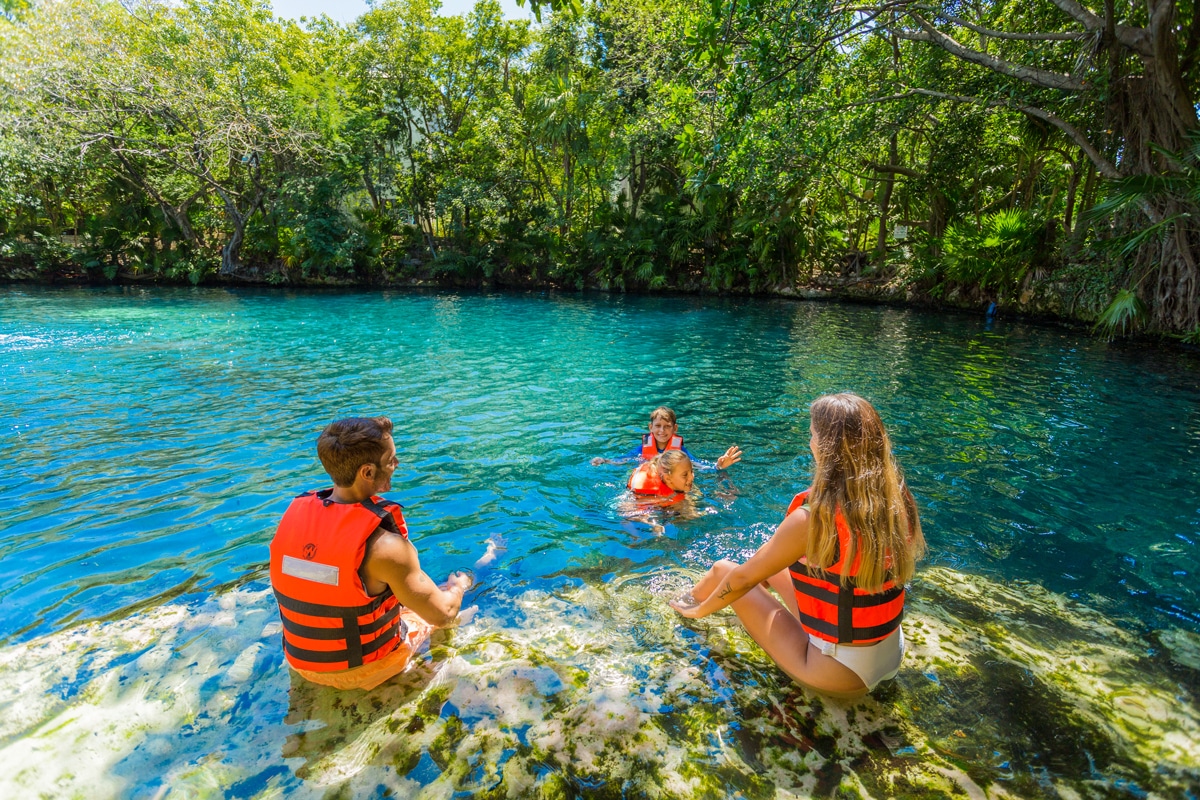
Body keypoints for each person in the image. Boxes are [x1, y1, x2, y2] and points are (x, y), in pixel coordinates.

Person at [670, 393, 925, 697]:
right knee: (764, 564)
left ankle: (679, 608)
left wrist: (701, 612)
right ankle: (689, 602)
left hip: (838, 672)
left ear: (827, 448)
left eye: (812, 435)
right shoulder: (896, 498)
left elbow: (740, 579)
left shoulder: (813, 518)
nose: (810, 442)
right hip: (889, 652)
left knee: (725, 569)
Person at [269, 416, 474, 691]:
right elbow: (444, 613)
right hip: (364, 670)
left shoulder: (292, 517)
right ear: (367, 472)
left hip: (301, 663)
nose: (397, 465)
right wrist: (459, 587)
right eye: (391, 460)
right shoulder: (385, 546)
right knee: (451, 605)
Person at [591, 406, 743, 469]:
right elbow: (624, 459)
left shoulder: (681, 452)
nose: (662, 431)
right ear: (651, 428)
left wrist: (718, 466)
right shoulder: (642, 449)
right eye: (657, 426)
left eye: (667, 426)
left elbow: (697, 465)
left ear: (674, 428)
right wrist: (605, 460)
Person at [627, 450, 694, 503]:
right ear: (668, 478)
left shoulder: (683, 483)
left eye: (691, 471)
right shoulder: (647, 497)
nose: (692, 477)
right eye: (685, 475)